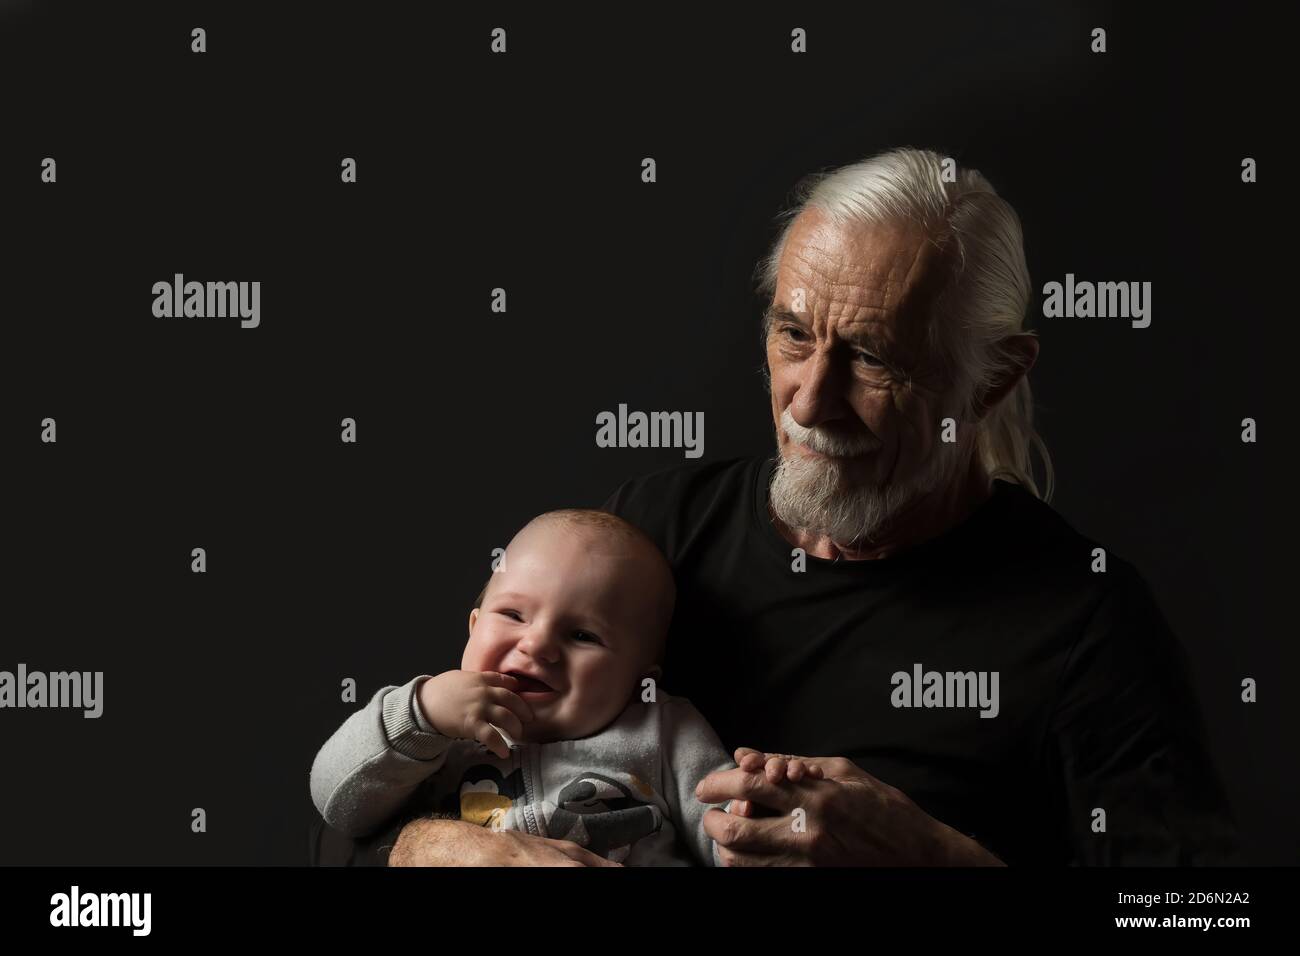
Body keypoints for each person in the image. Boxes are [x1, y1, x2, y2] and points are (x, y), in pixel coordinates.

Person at [351, 146, 1240, 866]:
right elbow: (365, 800)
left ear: (995, 377)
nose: (810, 400)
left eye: (874, 356)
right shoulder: (649, 535)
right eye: (793, 333)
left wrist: (934, 861)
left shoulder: (1084, 621)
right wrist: (442, 851)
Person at [309, 508, 741, 865]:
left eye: (583, 636)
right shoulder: (438, 734)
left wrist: (760, 810)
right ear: (474, 628)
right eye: (513, 615)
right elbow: (338, 804)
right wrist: (419, 714)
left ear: (640, 682)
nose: (536, 645)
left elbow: (731, 836)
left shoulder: (663, 730)